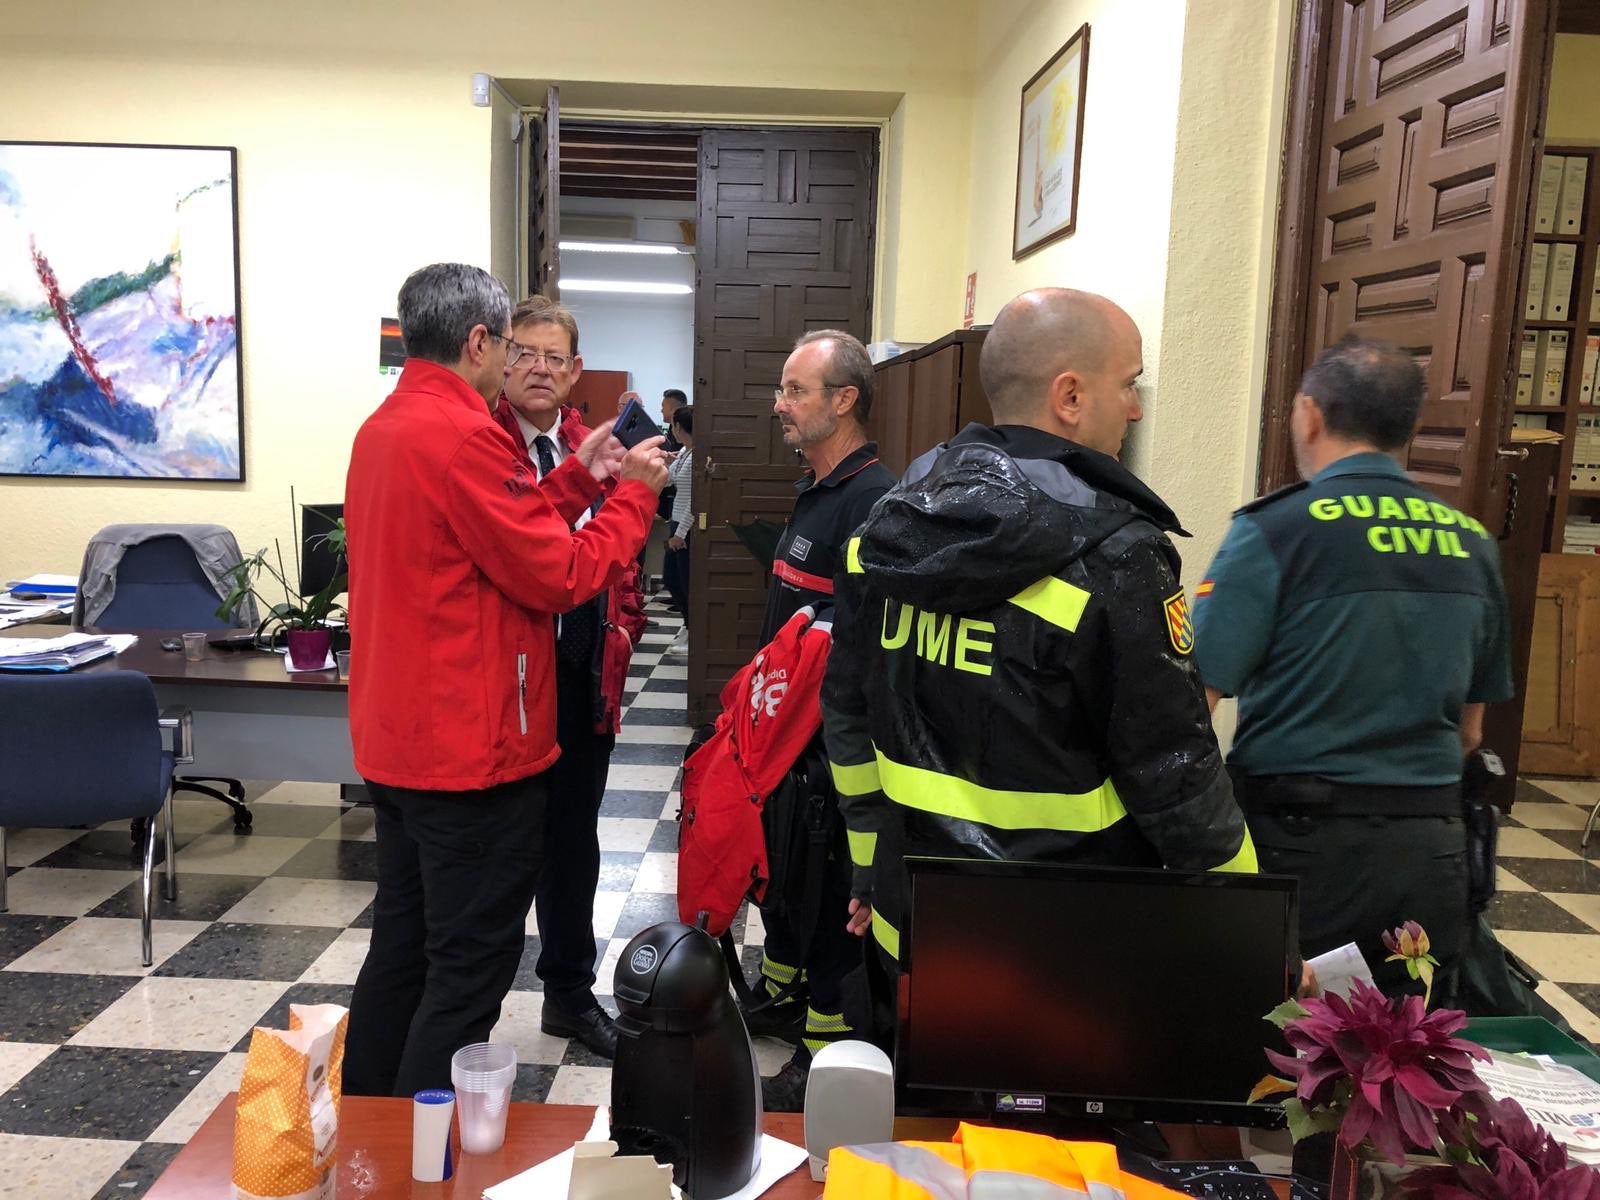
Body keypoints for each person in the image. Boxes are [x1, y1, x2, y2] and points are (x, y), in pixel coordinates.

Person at [820, 288, 1257, 986]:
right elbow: (1177, 775)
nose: (1138, 407)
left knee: (924, 1099)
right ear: (1071, 396)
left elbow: (846, 717)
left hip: (914, 929)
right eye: (1130, 383)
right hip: (1061, 950)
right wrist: (1253, 928)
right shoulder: (1121, 557)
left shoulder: (885, 532)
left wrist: (870, 864)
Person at [342, 263, 668, 1096]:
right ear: (480, 342)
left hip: (399, 743)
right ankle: (418, 1163)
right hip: (467, 751)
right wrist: (632, 499)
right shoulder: (463, 437)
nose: (529, 367)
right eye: (513, 349)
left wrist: (575, 481)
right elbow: (556, 574)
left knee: (402, 952)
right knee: (466, 974)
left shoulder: (386, 426)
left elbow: (489, 536)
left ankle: (373, 1144)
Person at [1191, 335, 1513, 999]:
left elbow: (1194, 703)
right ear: (1411, 429)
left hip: (1303, 852)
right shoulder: (1472, 543)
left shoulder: (1274, 531)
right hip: (1432, 852)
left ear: (1308, 414)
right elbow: (1471, 734)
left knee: (1284, 1061)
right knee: (1407, 1064)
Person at [489, 294, 649, 1057]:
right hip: (510, 683)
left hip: (584, 674)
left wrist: (625, 634)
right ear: (498, 357)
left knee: (574, 844)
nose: (540, 370)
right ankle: (471, 1003)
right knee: (503, 844)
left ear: (577, 370)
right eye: (525, 353)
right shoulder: (485, 450)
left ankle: (568, 993)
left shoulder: (597, 444)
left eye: (556, 358)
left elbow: (620, 559)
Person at [753, 330, 895, 1111]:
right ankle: (781, 997)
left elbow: (855, 651)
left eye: (795, 390)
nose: (780, 404)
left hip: (832, 753)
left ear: (844, 401)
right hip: (785, 742)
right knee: (790, 890)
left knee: (832, 896)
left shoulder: (874, 501)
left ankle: (826, 1057)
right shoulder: (818, 489)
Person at [662, 405, 694, 624]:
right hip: (675, 522)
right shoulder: (684, 452)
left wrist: (681, 534)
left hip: (685, 528)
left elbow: (695, 500)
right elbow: (668, 481)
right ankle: (688, 624)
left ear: (679, 427)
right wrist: (664, 460)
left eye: (673, 424)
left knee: (683, 582)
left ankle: (692, 627)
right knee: (671, 579)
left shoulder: (696, 457)